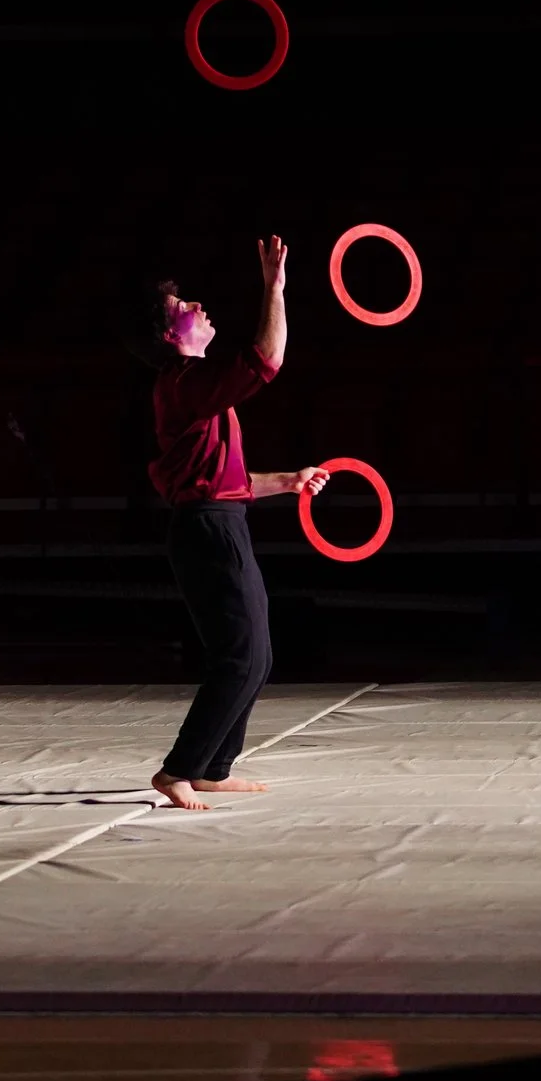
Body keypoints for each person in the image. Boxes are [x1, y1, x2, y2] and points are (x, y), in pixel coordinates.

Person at [127, 237, 328, 811]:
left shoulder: (191, 390)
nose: (197, 306)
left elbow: (219, 479)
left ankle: (213, 767)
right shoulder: (185, 382)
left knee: (256, 656)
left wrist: (287, 481)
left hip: (217, 521)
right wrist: (274, 289)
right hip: (208, 530)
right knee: (240, 657)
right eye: (182, 307)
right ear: (170, 335)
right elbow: (268, 358)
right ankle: (178, 770)